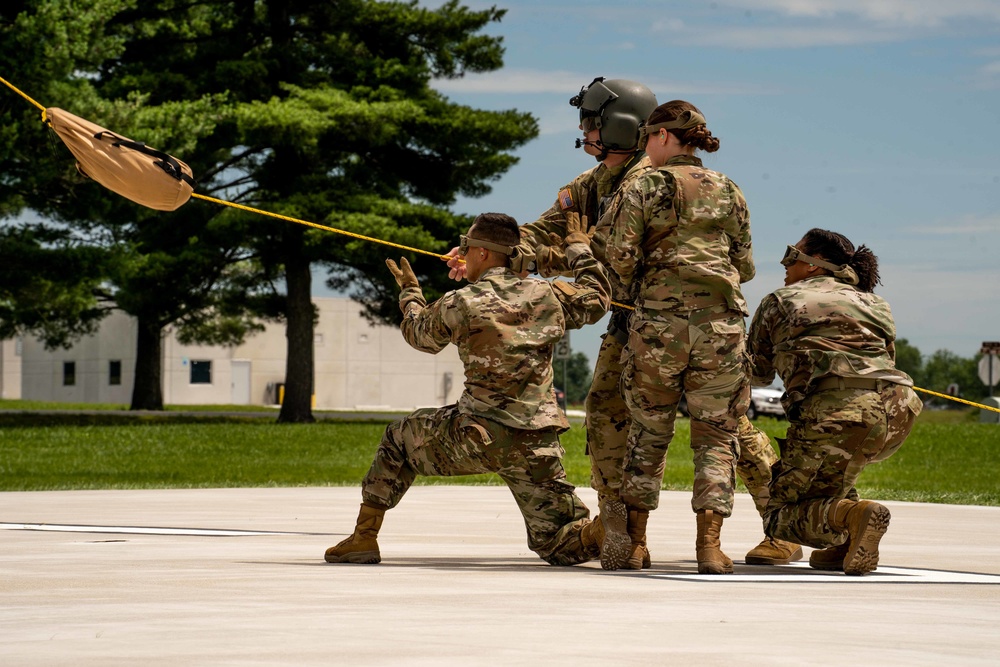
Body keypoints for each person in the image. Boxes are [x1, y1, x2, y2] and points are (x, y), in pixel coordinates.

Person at [325, 212, 612, 566]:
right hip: (536, 443)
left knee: (399, 437)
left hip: (477, 435)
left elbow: (419, 336)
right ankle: (604, 530)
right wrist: (579, 249)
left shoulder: (461, 302)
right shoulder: (546, 295)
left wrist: (411, 294)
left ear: (483, 253)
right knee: (556, 542)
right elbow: (597, 297)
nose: (462, 254)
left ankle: (363, 537)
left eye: (466, 246)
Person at [604, 100, 753, 574]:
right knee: (716, 437)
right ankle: (709, 548)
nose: (645, 147)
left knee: (648, 434)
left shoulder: (644, 185)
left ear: (665, 137)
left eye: (648, 137)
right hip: (720, 327)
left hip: (659, 328)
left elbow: (620, 259)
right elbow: (745, 266)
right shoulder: (730, 190)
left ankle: (635, 544)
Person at [747, 229, 922, 575]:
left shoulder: (781, 300)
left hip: (837, 410)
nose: (785, 264)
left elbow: (757, 373)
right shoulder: (875, 303)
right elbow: (886, 360)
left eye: (792, 255)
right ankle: (842, 543)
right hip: (897, 412)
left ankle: (853, 516)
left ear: (813, 266)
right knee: (834, 469)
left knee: (779, 517)